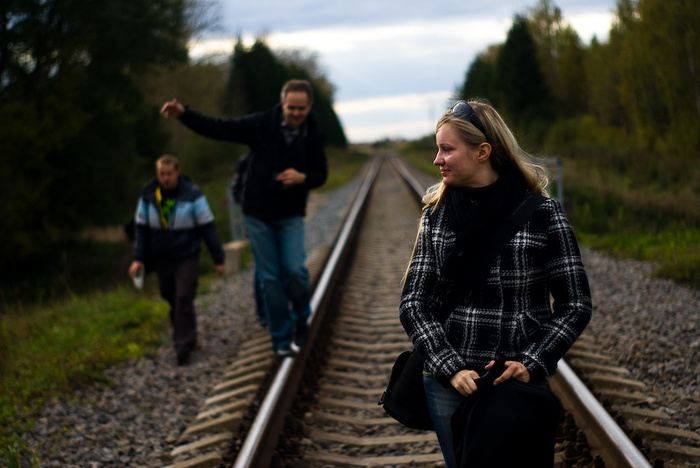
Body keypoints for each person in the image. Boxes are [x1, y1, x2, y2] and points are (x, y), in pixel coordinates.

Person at [399, 99, 592, 467]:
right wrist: (450, 368)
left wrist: (531, 362)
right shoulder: (436, 216)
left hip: (514, 385)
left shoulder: (542, 214)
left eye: (447, 149)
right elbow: (413, 304)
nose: (437, 160)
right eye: (438, 150)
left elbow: (575, 305)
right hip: (448, 384)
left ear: (483, 152)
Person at [160, 79, 328, 357]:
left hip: (290, 213)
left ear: (309, 106)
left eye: (302, 108)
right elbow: (220, 128)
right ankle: (281, 340)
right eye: (291, 108)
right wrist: (184, 114)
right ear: (282, 103)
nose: (296, 113)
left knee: (295, 271)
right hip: (258, 212)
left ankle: (301, 318)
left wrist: (303, 178)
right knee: (270, 279)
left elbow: (321, 173)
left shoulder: (313, 132)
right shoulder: (262, 124)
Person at [129, 155, 225, 366]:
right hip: (161, 255)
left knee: (183, 296)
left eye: (169, 174)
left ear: (177, 172)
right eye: (161, 174)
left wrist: (218, 258)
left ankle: (183, 345)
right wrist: (138, 259)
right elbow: (141, 230)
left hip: (186, 254)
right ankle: (185, 328)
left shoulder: (193, 195)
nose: (165, 178)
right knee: (170, 296)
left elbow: (207, 228)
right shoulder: (148, 196)